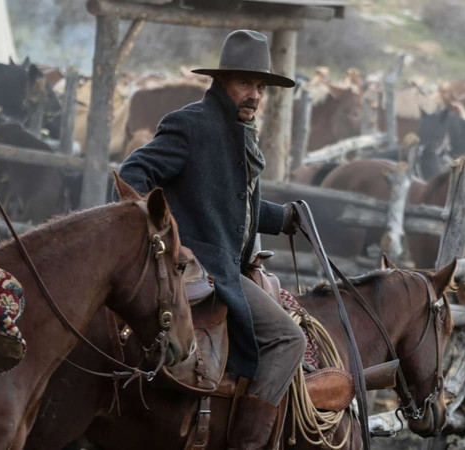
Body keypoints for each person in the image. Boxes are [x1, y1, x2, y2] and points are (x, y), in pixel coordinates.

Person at [118, 30, 306, 449]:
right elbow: (134, 174)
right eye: (245, 83)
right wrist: (166, 241)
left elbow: (230, 204)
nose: (254, 95)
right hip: (206, 268)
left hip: (226, 264)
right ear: (221, 82)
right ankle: (246, 444)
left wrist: (282, 217)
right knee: (288, 339)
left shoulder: (240, 132)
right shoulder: (192, 124)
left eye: (260, 87)